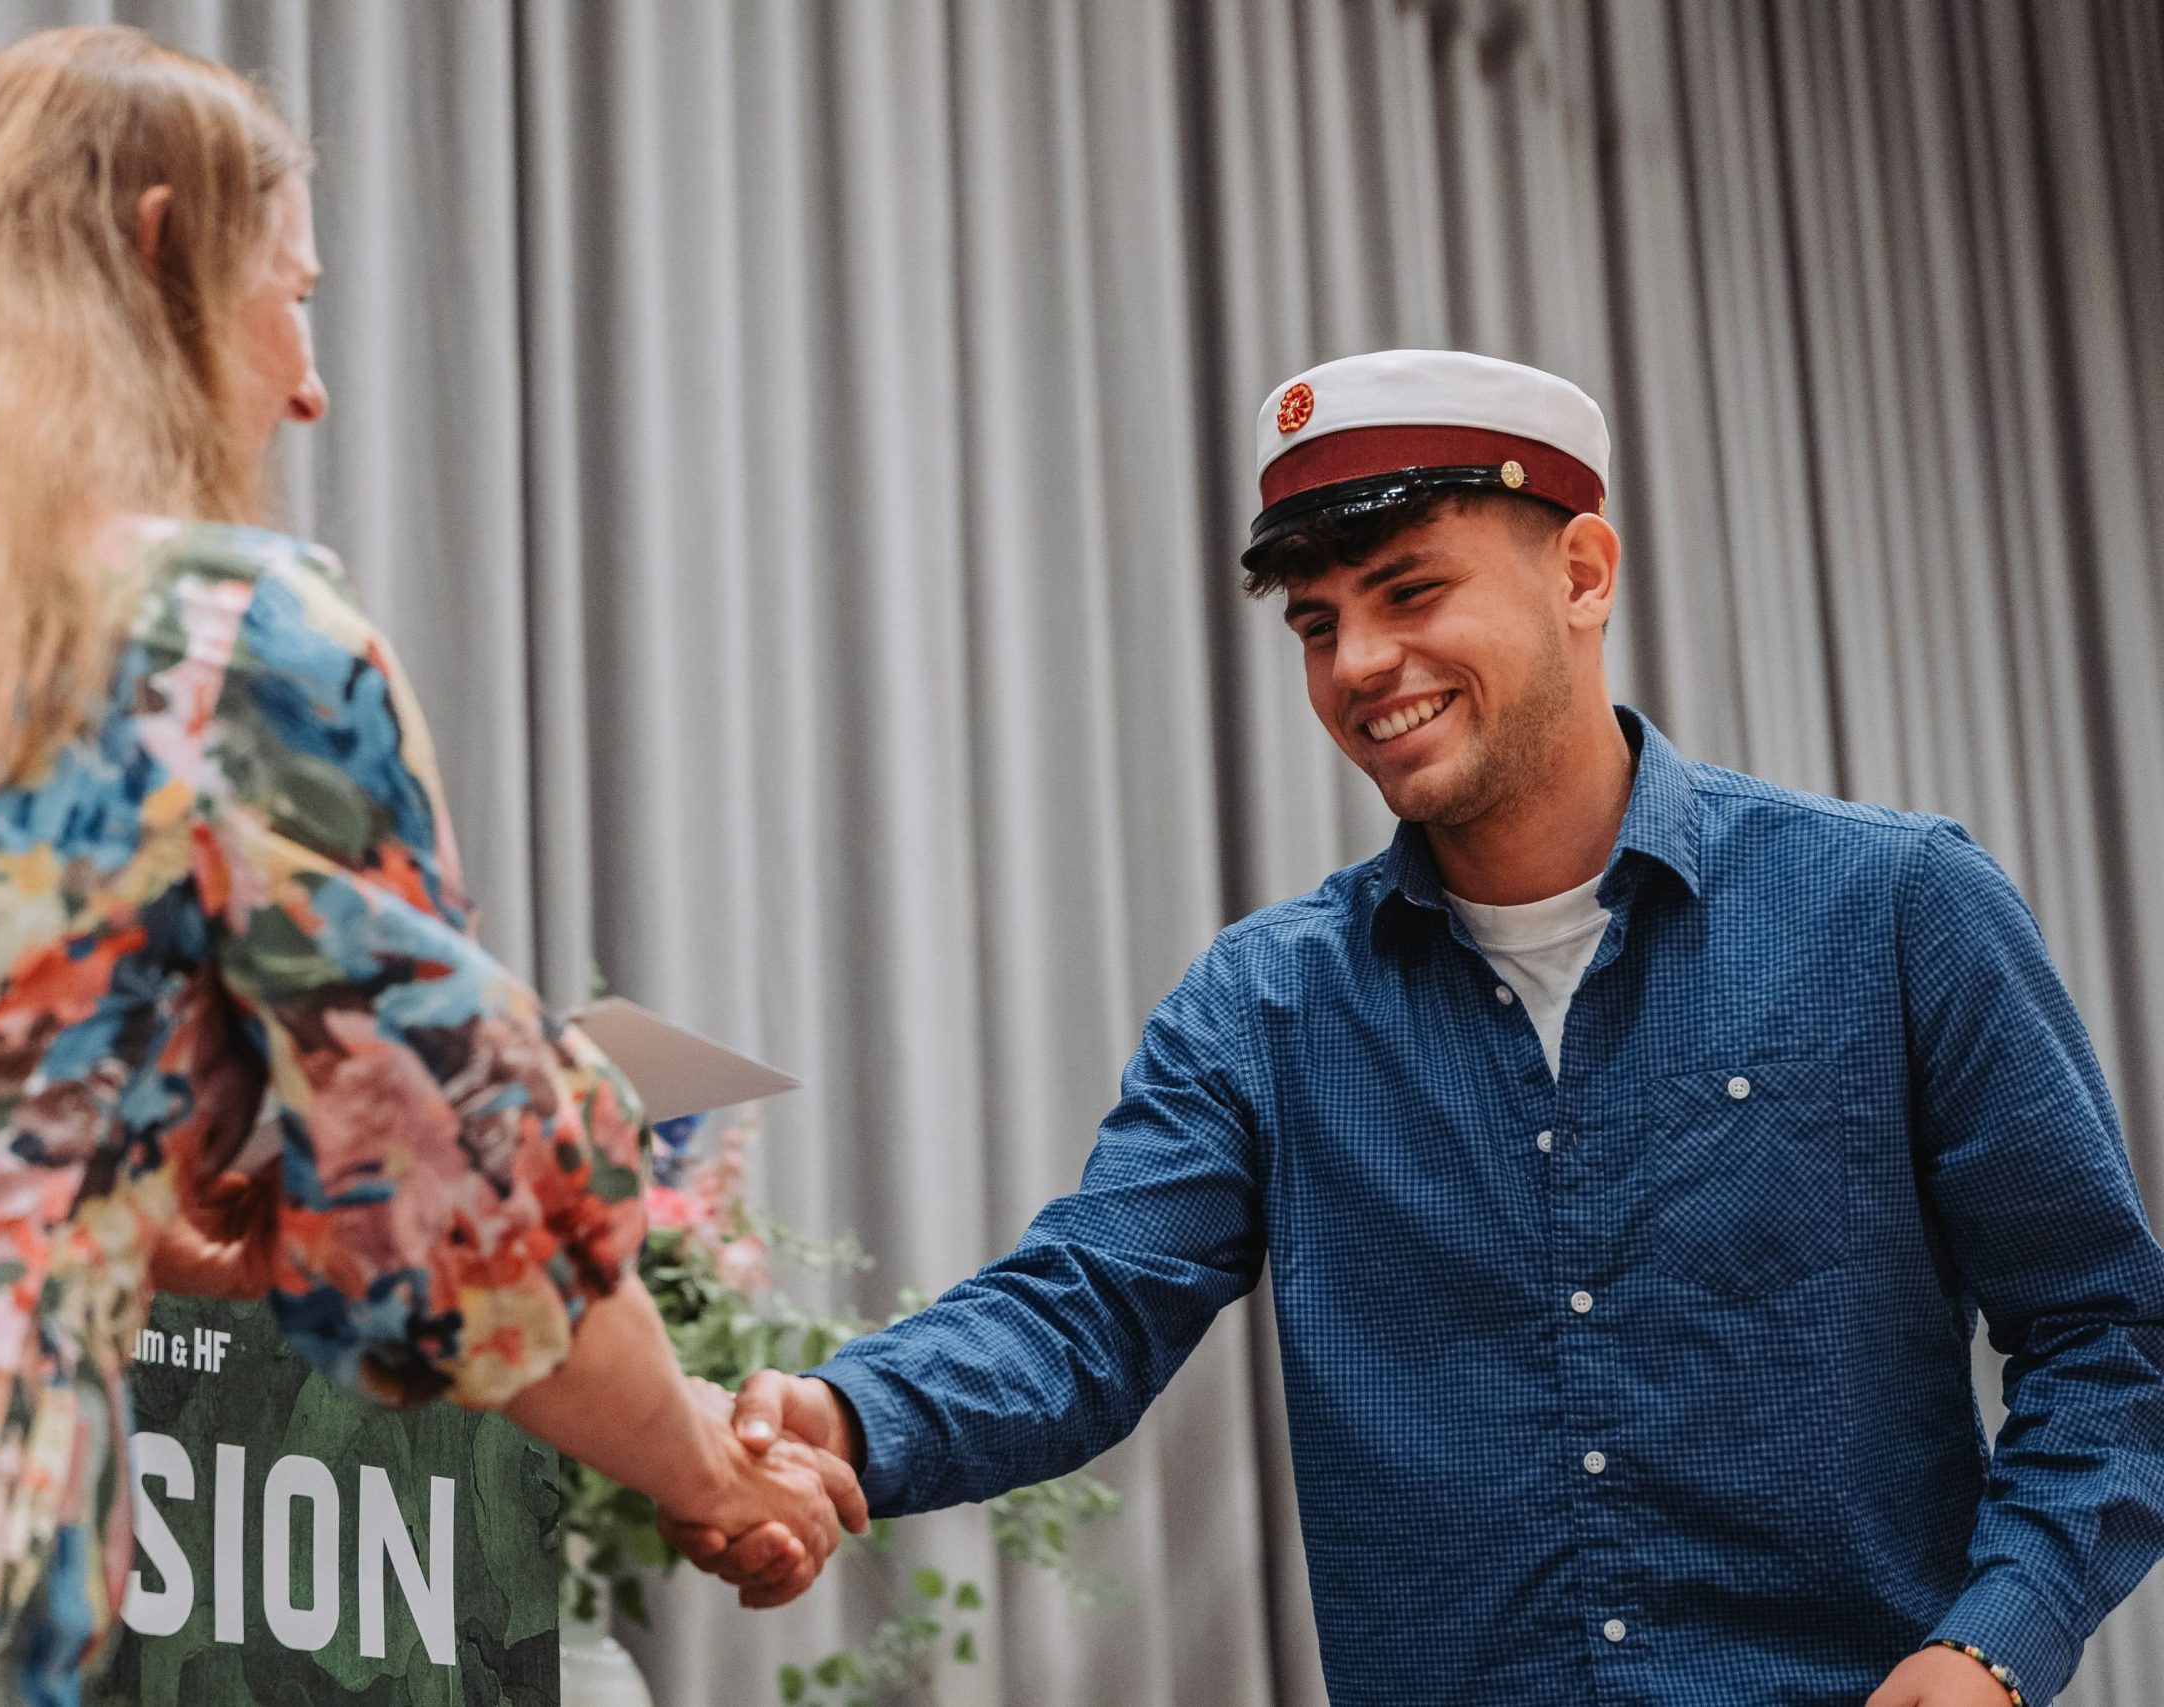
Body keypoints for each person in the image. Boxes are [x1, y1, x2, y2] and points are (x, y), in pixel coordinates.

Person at [0, 26, 857, 1705]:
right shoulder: (226, 646)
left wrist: (129, 1218)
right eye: (296, 296)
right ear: (155, 251)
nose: (309, 385)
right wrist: (712, 1472)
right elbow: (471, 1225)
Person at [675, 350, 2164, 1704]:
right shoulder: (1265, 1005)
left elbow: (2110, 1336)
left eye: (1410, 591)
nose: (1358, 666)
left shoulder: (1894, 907)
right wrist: (841, 1416)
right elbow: (1089, 1306)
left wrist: (1994, 1645)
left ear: (1582, 572)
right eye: (1319, 624)